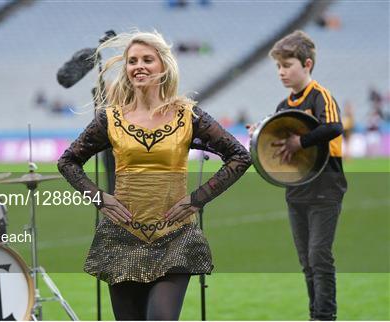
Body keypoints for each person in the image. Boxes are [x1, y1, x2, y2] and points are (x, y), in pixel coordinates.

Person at [58, 31, 251, 320]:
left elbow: (240, 156)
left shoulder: (188, 115)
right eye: (132, 60)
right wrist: (100, 199)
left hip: (175, 236)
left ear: (163, 66)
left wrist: (197, 199)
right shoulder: (110, 119)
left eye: (148, 59)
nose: (139, 66)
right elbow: (68, 161)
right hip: (121, 237)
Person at [248, 30, 347, 320]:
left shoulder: (320, 96)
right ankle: (314, 314)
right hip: (296, 191)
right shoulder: (282, 107)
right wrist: (261, 135)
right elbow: (276, 141)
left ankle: (325, 316)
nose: (281, 72)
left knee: (319, 255)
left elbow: (333, 127)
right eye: (278, 66)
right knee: (306, 260)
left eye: (287, 65)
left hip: (326, 188)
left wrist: (300, 142)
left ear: (307, 65)